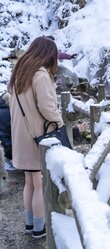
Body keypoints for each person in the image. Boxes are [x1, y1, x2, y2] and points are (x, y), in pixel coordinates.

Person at [8, 36, 64, 239]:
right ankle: (40, 228)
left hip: (21, 138)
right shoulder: (40, 75)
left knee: (29, 183)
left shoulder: (18, 73)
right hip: (37, 138)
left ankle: (30, 224)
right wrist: (60, 123)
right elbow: (47, 107)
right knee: (39, 183)